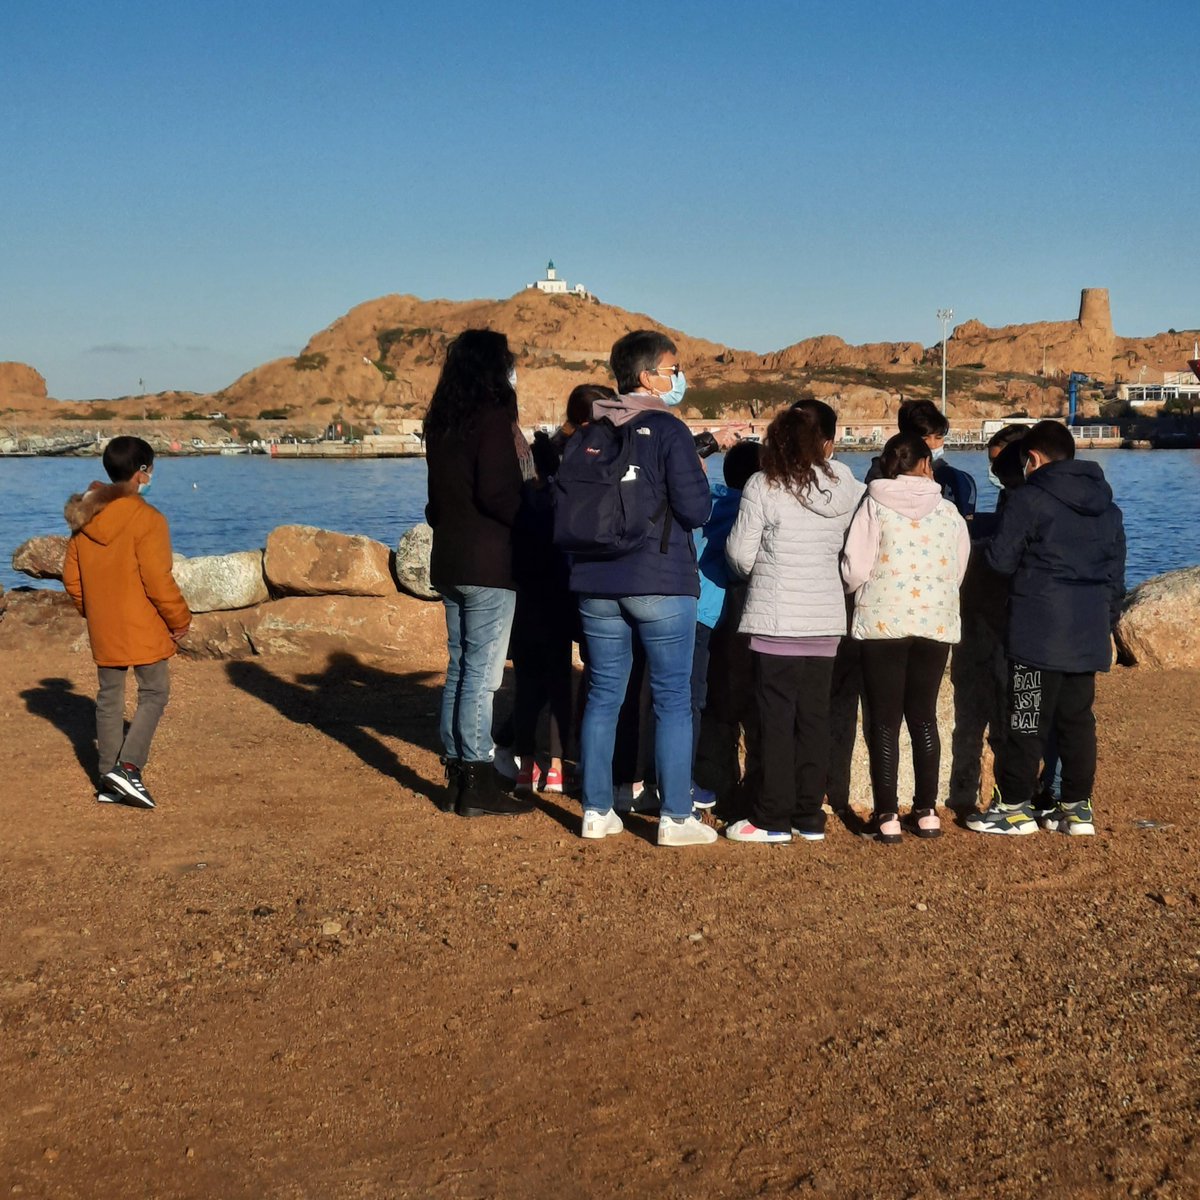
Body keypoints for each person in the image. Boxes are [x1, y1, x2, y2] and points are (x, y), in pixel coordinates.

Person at [567, 329, 716, 845]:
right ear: (649, 375)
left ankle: (596, 810)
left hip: (595, 581)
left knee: (604, 693)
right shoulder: (669, 431)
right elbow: (697, 509)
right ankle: (676, 817)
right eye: (673, 370)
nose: (678, 379)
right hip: (660, 580)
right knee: (673, 698)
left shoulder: (591, 431)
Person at [967, 421, 1125, 836]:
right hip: (1088, 630)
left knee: (1025, 717)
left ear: (1032, 458)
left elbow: (1001, 561)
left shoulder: (1029, 499)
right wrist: (1105, 624)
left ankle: (1015, 808)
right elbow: (1115, 578)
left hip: (1038, 631)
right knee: (1077, 720)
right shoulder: (1108, 507)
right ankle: (1076, 809)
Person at [723, 400, 866, 844]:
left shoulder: (763, 485)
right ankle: (809, 815)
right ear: (827, 441)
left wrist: (759, 570)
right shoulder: (848, 487)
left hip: (776, 619)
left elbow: (740, 555)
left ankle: (772, 818)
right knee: (814, 719)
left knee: (776, 721)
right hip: (825, 619)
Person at [841, 433, 970, 842]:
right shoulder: (948, 511)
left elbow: (854, 567)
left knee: (883, 721)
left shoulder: (873, 504)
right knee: (923, 716)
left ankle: (886, 815)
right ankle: (927, 810)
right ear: (928, 464)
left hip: (882, 623)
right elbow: (959, 567)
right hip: (934, 622)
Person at [424, 329, 532, 819]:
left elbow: (435, 502)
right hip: (489, 564)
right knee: (483, 677)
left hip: (448, 559)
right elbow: (498, 494)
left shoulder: (442, 420)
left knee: (459, 666)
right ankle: (476, 776)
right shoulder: (492, 418)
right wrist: (532, 517)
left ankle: (455, 775)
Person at [62, 436, 191, 809]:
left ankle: (107, 779)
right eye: (150, 470)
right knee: (154, 692)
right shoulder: (148, 519)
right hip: (143, 621)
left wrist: (95, 608)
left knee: (109, 696)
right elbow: (157, 578)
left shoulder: (84, 516)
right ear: (141, 473)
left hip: (105, 621)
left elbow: (71, 576)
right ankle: (129, 768)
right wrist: (179, 619)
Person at [691, 438, 763, 808]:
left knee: (693, 696)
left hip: (694, 609)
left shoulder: (710, 500)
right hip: (727, 613)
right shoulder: (750, 510)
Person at [509, 431, 574, 795]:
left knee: (526, 689)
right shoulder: (558, 501)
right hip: (556, 602)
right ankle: (556, 769)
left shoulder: (518, 503)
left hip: (523, 603)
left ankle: (525, 767)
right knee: (558, 687)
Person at [867, 399, 976, 520]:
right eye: (925, 439)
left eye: (939, 437)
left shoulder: (954, 478)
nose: (933, 445)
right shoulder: (883, 471)